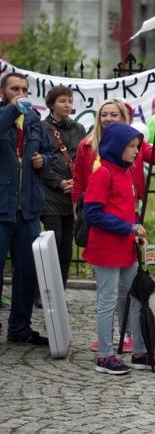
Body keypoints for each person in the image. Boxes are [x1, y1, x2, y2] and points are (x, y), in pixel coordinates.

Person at [73, 98, 155, 351]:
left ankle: (139, 351)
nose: (138, 152)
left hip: (127, 247)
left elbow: (128, 211)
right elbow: (92, 213)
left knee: (136, 298)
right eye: (132, 147)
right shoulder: (102, 174)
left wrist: (137, 229)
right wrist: (129, 228)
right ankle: (105, 355)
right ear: (117, 146)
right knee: (108, 301)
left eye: (138, 146)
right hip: (106, 247)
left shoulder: (126, 174)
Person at [1, 72, 53, 345]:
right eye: (14, 89)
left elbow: (49, 152)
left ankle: (19, 328)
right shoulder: (4, 118)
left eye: (24, 88)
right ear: (3, 93)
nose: (20, 93)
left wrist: (42, 160)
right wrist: (10, 109)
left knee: (27, 271)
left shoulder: (34, 121)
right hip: (2, 207)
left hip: (28, 210)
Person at [40, 86, 87, 287]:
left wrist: (77, 182)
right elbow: (40, 160)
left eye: (69, 101)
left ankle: (60, 288)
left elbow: (85, 159)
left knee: (67, 246)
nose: (67, 105)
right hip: (51, 195)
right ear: (51, 104)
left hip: (73, 196)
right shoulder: (42, 128)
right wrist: (58, 182)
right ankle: (42, 289)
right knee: (52, 242)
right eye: (62, 101)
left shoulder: (79, 129)